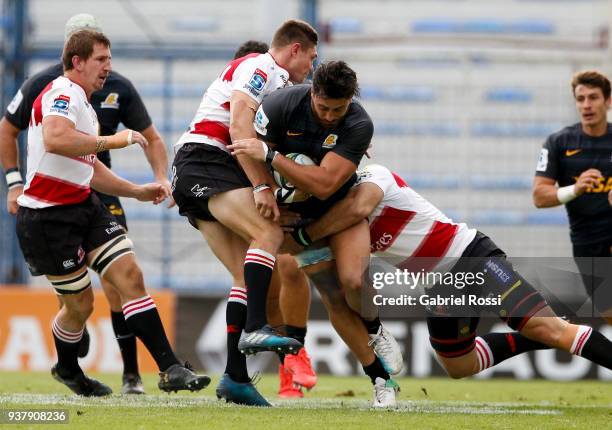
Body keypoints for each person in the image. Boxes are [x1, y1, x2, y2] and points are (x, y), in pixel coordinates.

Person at [0, 29, 209, 397]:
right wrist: (115, 139)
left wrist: (136, 190)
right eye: (101, 60)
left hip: (84, 206)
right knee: (81, 305)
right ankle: (68, 368)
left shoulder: (83, 100)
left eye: (110, 60)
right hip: (47, 219)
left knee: (129, 274)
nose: (108, 69)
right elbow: (55, 138)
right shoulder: (62, 92)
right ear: (77, 62)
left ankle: (170, 368)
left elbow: (89, 165)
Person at [286, 164, 612, 396]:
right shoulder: (336, 220)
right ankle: (538, 337)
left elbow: (361, 207)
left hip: (470, 255)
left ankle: (550, 332)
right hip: (438, 286)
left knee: (549, 327)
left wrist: (306, 233)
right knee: (459, 366)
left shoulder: (373, 177)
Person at [171, 20, 318, 406]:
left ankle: (236, 378)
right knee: (267, 234)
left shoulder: (282, 87)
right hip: (205, 160)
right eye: (311, 58)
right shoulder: (261, 66)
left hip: (203, 168)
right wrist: (262, 187)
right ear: (295, 50)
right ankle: (254, 328)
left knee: (244, 276)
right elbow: (238, 127)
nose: (312, 68)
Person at [227, 60, 404, 377]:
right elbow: (249, 153)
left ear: (350, 101)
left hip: (338, 211)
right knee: (334, 298)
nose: (330, 116)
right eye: (323, 108)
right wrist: (263, 188)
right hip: (297, 219)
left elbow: (325, 185)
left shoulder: (359, 124)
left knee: (354, 281)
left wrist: (272, 157)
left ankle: (376, 330)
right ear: (313, 93)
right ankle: (380, 379)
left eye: (338, 109)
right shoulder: (280, 106)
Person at [533, 70, 612, 324]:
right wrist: (575, 190)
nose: (586, 105)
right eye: (581, 99)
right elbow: (539, 196)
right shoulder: (559, 142)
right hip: (588, 246)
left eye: (593, 98)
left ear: (608, 101)